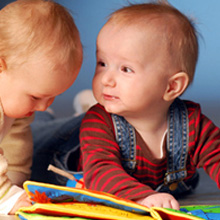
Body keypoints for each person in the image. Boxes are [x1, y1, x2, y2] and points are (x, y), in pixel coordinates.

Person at [79, 1, 220, 210]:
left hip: (160, 189)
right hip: (80, 164)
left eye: (125, 69)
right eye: (102, 63)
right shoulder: (99, 123)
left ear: (172, 86)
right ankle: (76, 109)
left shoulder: (192, 124)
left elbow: (217, 156)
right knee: (55, 137)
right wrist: (142, 197)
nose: (106, 80)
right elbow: (101, 171)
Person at [0, 0, 82, 215]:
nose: (43, 106)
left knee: (29, 122)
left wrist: (16, 179)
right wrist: (8, 197)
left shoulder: (13, 101)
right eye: (36, 96)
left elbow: (16, 140)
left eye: (53, 97)